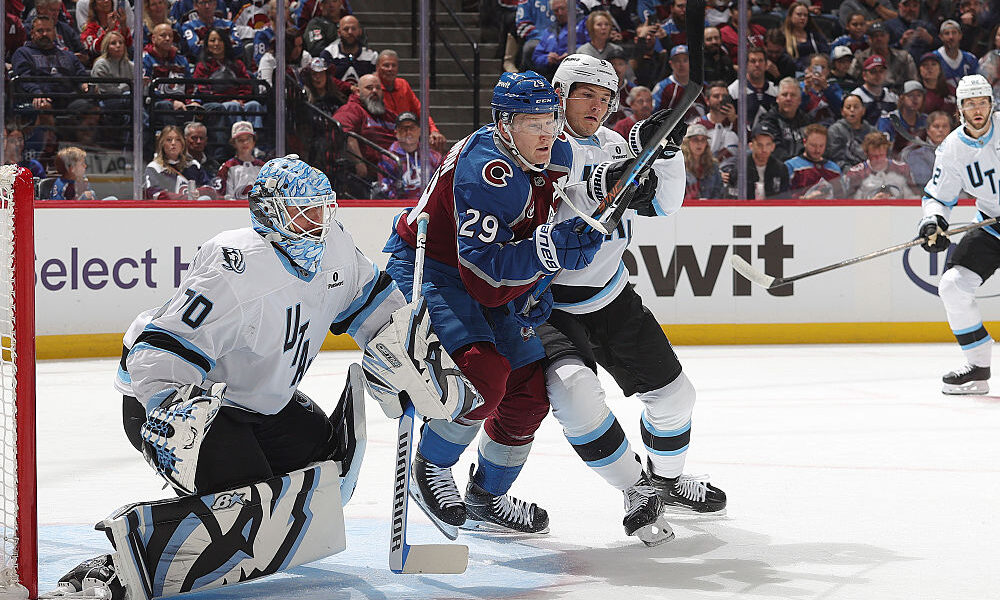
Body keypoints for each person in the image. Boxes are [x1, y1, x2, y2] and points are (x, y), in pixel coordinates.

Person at [55, 153, 481, 600]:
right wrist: (166, 408)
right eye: (304, 212)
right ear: (271, 216)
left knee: (325, 469)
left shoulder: (334, 245)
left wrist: (408, 354)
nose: (319, 223)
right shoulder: (235, 270)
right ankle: (117, 568)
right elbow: (162, 347)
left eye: (323, 209)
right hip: (177, 405)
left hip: (258, 401)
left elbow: (372, 303)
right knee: (251, 511)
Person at [381, 70, 604, 537]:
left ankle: (486, 496)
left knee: (529, 394)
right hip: (436, 267)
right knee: (483, 378)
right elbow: (483, 280)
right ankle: (430, 467)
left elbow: (569, 199)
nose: (546, 133)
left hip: (487, 266)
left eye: (551, 119)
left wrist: (625, 178)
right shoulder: (486, 174)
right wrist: (547, 254)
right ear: (504, 125)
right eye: (532, 123)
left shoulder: (553, 151)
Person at [537, 55, 724, 547]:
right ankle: (635, 489)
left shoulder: (615, 143)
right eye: (586, 94)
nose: (597, 106)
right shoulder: (539, 143)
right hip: (548, 306)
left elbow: (664, 204)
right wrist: (620, 170)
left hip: (612, 295)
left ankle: (666, 482)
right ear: (559, 94)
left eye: (605, 98)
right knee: (575, 395)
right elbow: (565, 195)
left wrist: (667, 154)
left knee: (677, 397)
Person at [918, 74, 1000, 394]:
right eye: (970, 103)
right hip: (991, 226)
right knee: (953, 286)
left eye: (983, 102)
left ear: (991, 105)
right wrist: (933, 223)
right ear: (960, 109)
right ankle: (978, 367)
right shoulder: (952, 148)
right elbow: (938, 197)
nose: (977, 109)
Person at [376, 50, 448, 153]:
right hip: (385, 137)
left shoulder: (403, 85)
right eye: (386, 65)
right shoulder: (373, 88)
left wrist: (433, 130)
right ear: (377, 67)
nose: (390, 69)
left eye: (393, 65)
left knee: (437, 142)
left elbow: (420, 110)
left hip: (408, 134)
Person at [333, 73, 398, 181]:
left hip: (394, 171)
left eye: (378, 88)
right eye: (369, 88)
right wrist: (358, 162)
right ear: (358, 92)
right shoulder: (351, 109)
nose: (374, 91)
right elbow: (345, 133)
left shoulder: (389, 115)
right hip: (367, 176)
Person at [376, 112, 442, 199]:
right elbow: (385, 190)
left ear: (419, 131)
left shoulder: (434, 157)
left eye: (412, 128)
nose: (408, 132)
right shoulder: (388, 159)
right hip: (398, 205)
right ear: (396, 132)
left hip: (428, 205)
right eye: (403, 129)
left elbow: (441, 187)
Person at [143, 125, 210, 199]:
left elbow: (209, 188)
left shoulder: (193, 165)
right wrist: (183, 198)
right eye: (169, 140)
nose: (173, 143)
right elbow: (153, 193)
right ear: (162, 144)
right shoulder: (155, 168)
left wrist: (200, 192)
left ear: (183, 144)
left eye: (178, 140)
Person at [843, 131, 914, 199]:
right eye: (874, 156)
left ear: (886, 152)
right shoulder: (855, 173)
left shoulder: (902, 169)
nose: (878, 159)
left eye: (881, 155)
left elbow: (913, 196)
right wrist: (871, 202)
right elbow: (849, 202)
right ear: (866, 153)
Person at [756, 77, 810, 164]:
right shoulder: (767, 122)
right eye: (784, 95)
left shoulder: (807, 121)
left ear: (799, 100)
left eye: (793, 95)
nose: (788, 99)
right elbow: (775, 153)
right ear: (777, 99)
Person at [531, 0, 589, 78]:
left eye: (562, 8)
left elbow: (592, 45)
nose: (560, 13)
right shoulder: (549, 30)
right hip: (552, 72)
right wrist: (547, 58)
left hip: (578, 70)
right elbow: (536, 57)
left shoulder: (584, 23)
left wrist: (573, 54)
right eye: (556, 10)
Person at [784, 123, 842, 199]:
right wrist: (805, 199)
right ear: (804, 142)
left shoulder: (835, 169)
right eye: (813, 145)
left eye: (821, 146)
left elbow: (841, 197)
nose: (817, 150)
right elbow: (783, 197)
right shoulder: (790, 166)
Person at [729, 46, 778, 131]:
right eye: (753, 61)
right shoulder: (734, 90)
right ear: (746, 65)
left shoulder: (775, 91)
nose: (757, 65)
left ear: (766, 65)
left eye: (760, 61)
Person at [318, 15, 378, 83]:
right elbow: (325, 81)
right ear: (339, 33)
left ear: (360, 31)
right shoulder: (328, 54)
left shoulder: (372, 56)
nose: (350, 32)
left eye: (353, 29)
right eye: (346, 29)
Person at [650, 45, 704, 121]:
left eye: (685, 60)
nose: (681, 64)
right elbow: (654, 116)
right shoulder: (662, 87)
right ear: (671, 64)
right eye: (677, 61)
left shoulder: (701, 85)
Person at [826, 92, 877, 172]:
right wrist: (853, 172)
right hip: (845, 173)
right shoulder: (835, 131)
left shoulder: (872, 131)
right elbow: (835, 159)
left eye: (856, 107)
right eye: (848, 107)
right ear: (842, 112)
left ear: (863, 111)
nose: (852, 110)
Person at [902, 109, 952, 188]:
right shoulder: (916, 155)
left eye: (945, 126)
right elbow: (924, 182)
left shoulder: (958, 153)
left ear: (950, 130)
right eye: (936, 126)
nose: (941, 130)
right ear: (928, 130)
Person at [877, 80, 928, 157]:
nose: (915, 99)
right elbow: (883, 147)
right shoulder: (888, 120)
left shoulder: (926, 120)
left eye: (919, 95)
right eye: (910, 95)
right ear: (902, 98)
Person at [218, 121, 265, 199]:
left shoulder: (263, 167)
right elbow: (222, 196)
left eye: (248, 139)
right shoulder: (226, 167)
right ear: (234, 143)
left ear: (254, 142)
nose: (245, 142)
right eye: (240, 140)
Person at [745, 122, 789, 199]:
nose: (764, 150)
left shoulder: (781, 169)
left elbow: (784, 197)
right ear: (751, 146)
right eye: (759, 145)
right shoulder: (741, 168)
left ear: (773, 147)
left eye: (768, 145)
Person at [852, 55, 898, 126]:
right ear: (864, 75)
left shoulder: (892, 97)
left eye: (881, 71)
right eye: (873, 71)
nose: (878, 75)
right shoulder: (855, 97)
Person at [682, 123, 724, 199]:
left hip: (710, 206)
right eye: (695, 139)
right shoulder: (680, 165)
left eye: (703, 140)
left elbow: (719, 191)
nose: (699, 143)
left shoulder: (713, 166)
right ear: (687, 142)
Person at [782, 1, 828, 71]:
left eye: (805, 15)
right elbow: (787, 58)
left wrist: (817, 69)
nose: (803, 18)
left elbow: (825, 53)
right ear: (790, 16)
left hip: (817, 70)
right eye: (799, 14)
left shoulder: (815, 35)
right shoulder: (783, 36)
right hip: (795, 71)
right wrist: (805, 69)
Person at [932, 19, 978, 88]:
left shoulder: (970, 59)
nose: (951, 37)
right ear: (941, 37)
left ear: (960, 35)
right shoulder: (934, 58)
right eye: (947, 33)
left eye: (954, 33)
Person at [801, 52, 843, 126]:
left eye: (823, 68)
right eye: (815, 67)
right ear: (809, 69)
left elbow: (840, 110)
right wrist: (805, 93)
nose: (819, 71)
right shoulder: (801, 87)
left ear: (828, 71)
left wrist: (827, 89)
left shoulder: (834, 87)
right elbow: (796, 112)